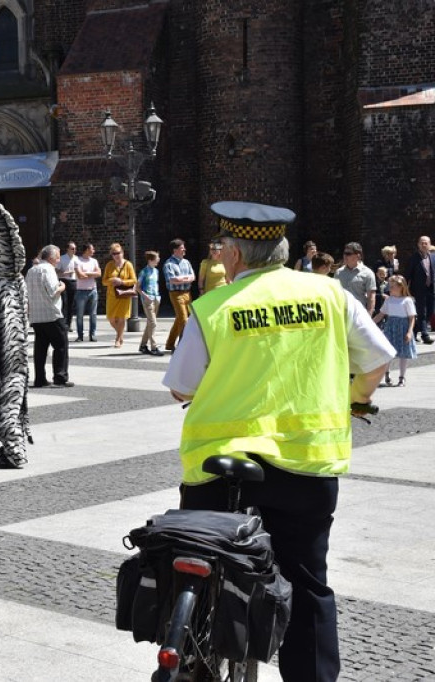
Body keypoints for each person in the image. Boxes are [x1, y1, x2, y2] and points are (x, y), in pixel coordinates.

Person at [163, 201, 395, 682]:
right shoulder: (331, 295)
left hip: (218, 466)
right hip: (304, 466)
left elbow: (181, 387)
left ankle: (192, 654)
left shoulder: (212, 308)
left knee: (201, 563)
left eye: (223, 247)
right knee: (307, 583)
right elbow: (377, 360)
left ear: (234, 254)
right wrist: (354, 400)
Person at [25, 245, 72, 387]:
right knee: (61, 346)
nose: (58, 260)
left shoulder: (31, 271)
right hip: (52, 314)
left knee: (40, 348)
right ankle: (60, 377)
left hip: (36, 316)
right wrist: (62, 286)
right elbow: (53, 292)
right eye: (57, 257)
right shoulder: (48, 270)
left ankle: (40, 378)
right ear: (51, 258)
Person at [371, 274, 416, 387]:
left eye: (392, 287)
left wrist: (409, 332)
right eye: (389, 286)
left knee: (403, 354)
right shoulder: (389, 300)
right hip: (390, 328)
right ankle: (387, 373)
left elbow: (411, 318)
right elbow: (381, 315)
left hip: (403, 328)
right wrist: (369, 323)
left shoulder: (407, 300)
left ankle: (402, 377)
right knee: (387, 353)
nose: (389, 289)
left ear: (401, 287)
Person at [163, 238, 195, 351]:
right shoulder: (169, 264)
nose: (184, 250)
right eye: (182, 248)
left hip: (187, 293)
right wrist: (186, 279)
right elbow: (172, 279)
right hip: (176, 294)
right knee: (184, 319)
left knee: (181, 318)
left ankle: (169, 344)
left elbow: (193, 277)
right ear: (175, 250)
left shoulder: (186, 262)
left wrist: (182, 279)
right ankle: (182, 346)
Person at [103, 243, 137, 349]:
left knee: (122, 318)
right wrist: (112, 280)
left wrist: (122, 282)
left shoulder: (128, 265)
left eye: (118, 253)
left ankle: (118, 339)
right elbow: (104, 281)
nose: (117, 255)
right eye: (114, 253)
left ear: (122, 253)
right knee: (111, 319)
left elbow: (134, 280)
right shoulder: (109, 265)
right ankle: (120, 334)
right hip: (112, 295)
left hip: (124, 295)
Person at [403, 235, 434, 344]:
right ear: (418, 245)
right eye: (422, 243)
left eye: (426, 243)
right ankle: (425, 335)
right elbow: (407, 275)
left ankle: (415, 331)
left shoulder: (433, 257)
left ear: (430, 244)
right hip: (418, 290)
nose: (424, 245)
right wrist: (405, 291)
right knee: (422, 312)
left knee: (430, 311)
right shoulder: (413, 258)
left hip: (431, 290)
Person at [334, 242, 377, 315]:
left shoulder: (368, 273)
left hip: (358, 314)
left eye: (348, 253)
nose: (345, 256)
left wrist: (369, 315)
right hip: (341, 312)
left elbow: (371, 297)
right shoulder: (338, 272)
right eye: (344, 253)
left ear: (358, 256)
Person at [136, 250, 164, 355]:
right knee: (153, 323)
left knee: (150, 323)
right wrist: (145, 296)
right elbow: (137, 287)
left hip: (156, 298)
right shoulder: (144, 272)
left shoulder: (156, 271)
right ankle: (154, 347)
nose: (158, 260)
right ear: (150, 260)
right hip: (148, 299)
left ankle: (143, 345)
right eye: (156, 258)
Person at [73, 243, 101, 342]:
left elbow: (99, 273)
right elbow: (80, 276)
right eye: (92, 249)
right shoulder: (77, 261)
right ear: (87, 250)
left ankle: (92, 334)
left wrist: (87, 274)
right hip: (81, 291)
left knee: (93, 314)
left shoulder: (94, 261)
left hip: (93, 290)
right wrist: (92, 274)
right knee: (80, 315)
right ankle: (80, 335)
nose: (94, 251)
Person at [55, 242, 78, 333]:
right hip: (63, 281)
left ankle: (69, 324)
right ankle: (63, 323)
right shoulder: (62, 258)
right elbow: (56, 271)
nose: (74, 250)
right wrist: (65, 273)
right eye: (72, 248)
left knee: (71, 304)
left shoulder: (76, 259)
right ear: (67, 249)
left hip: (73, 281)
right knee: (64, 302)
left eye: (75, 248)